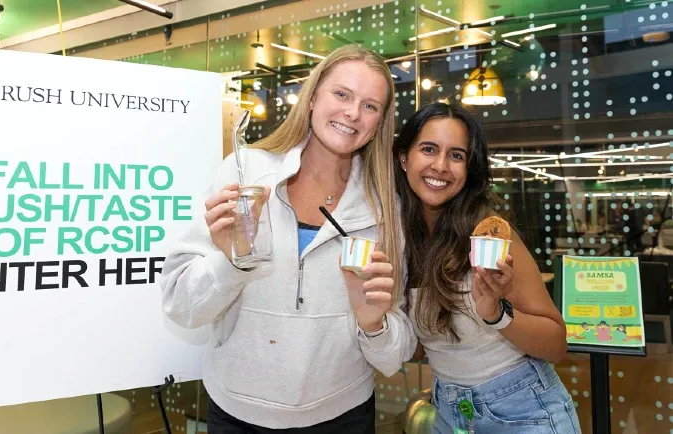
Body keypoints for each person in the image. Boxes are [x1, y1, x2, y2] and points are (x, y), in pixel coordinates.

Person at [159, 44, 417, 432]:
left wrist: (373, 324)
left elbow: (393, 355)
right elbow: (181, 306)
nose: (352, 113)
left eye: (370, 105)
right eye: (342, 94)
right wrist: (232, 261)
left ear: (380, 121)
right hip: (238, 414)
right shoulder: (245, 175)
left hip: (343, 416)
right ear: (312, 98)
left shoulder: (385, 206)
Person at [394, 102, 580, 433]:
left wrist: (497, 313)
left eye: (456, 155)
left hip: (523, 409)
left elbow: (556, 344)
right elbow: (426, 347)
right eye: (428, 149)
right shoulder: (400, 239)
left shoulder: (488, 237)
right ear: (404, 157)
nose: (440, 166)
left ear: (469, 169)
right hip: (450, 412)